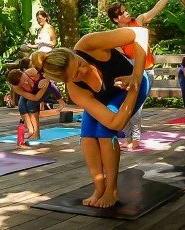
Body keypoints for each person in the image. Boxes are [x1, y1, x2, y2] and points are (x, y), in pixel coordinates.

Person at [32, 27, 150, 208]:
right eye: (77, 74)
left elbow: (140, 33)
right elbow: (115, 121)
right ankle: (99, 188)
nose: (83, 68)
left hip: (136, 85)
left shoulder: (88, 44)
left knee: (104, 132)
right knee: (87, 135)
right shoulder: (76, 90)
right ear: (67, 80)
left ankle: (112, 190)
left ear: (72, 53)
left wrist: (136, 78)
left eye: (78, 63)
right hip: (106, 98)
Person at [107, 0, 172, 149]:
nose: (127, 12)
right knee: (127, 105)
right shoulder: (116, 35)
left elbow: (156, 9)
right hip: (130, 72)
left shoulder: (138, 22)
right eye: (122, 12)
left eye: (125, 9)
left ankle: (135, 139)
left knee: (135, 107)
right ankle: (128, 138)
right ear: (116, 19)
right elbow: (120, 58)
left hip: (146, 72)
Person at [6, 67, 65, 142]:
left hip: (44, 88)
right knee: (21, 106)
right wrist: (30, 129)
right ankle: (30, 131)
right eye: (22, 84)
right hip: (33, 95)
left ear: (24, 73)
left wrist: (59, 99)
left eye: (25, 79)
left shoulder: (32, 72)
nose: (26, 83)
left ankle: (36, 133)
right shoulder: (16, 88)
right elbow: (33, 97)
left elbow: (49, 78)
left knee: (30, 104)